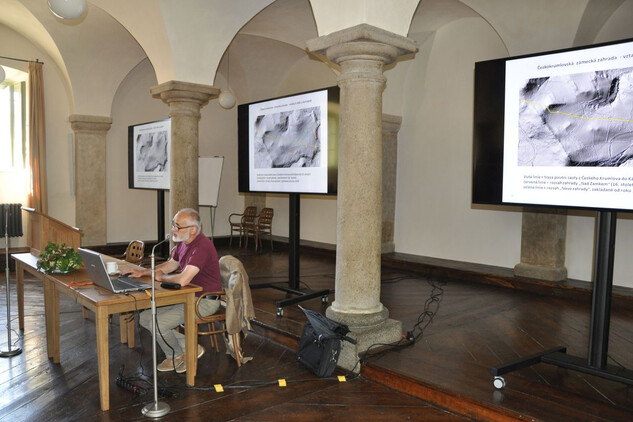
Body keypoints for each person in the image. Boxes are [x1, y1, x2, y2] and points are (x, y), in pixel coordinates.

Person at [127, 207, 221, 373]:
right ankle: (189, 347)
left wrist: (161, 278)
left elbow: (183, 279)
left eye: (178, 226)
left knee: (158, 324)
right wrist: (144, 272)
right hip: (188, 296)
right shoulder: (184, 244)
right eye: (173, 225)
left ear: (193, 230)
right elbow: (169, 265)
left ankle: (176, 355)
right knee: (145, 317)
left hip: (203, 301)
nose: (172, 229)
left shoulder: (203, 246)